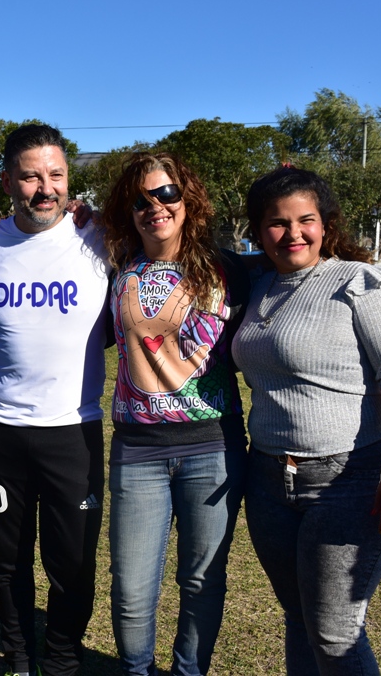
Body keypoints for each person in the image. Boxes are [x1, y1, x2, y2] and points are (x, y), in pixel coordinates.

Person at [232, 165, 381, 675]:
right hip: (268, 480)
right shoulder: (259, 283)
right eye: (277, 222)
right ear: (258, 231)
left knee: (336, 631)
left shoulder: (359, 282)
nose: (293, 233)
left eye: (306, 220)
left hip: (348, 480)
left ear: (325, 224)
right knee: (299, 617)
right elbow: (194, 256)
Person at [94, 152, 249, 676]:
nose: (155, 207)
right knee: (131, 588)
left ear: (188, 200)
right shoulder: (115, 266)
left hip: (214, 449)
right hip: (137, 451)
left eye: (166, 194)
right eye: (140, 200)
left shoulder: (229, 268)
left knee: (202, 581)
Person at [0, 124, 111, 676]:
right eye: (31, 177)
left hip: (74, 431)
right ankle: (20, 660)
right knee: (9, 562)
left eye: (56, 175)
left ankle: (63, 661)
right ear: (8, 182)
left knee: (72, 564)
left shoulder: (100, 238)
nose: (45, 188)